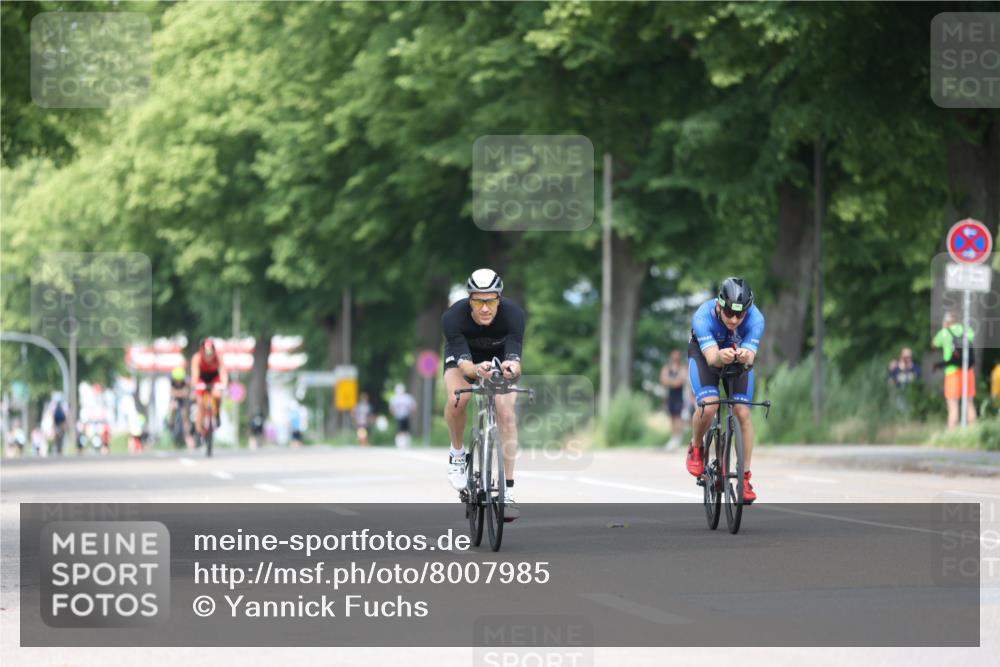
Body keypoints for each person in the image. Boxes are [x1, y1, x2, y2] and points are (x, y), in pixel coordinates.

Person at [441, 268, 525, 518]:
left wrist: (512, 367)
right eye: (478, 301)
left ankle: (507, 491)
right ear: (470, 300)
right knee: (460, 397)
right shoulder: (453, 317)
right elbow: (465, 367)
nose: (485, 308)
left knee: (507, 414)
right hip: (464, 359)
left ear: (499, 299)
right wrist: (477, 369)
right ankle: (457, 454)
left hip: (498, 359)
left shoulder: (514, 315)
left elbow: (515, 358)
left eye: (490, 301)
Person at [686, 277, 765, 503]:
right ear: (719, 305)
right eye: (729, 313)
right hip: (704, 356)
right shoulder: (702, 316)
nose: (733, 319)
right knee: (709, 405)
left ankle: (745, 478)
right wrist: (722, 356)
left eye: (740, 315)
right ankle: (696, 447)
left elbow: (750, 359)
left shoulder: (756, 320)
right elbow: (712, 359)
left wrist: (744, 356)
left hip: (734, 357)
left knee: (742, 412)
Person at [932, 311, 977, 429]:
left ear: (946, 320)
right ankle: (973, 434)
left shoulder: (944, 332)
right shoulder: (966, 330)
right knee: (969, 403)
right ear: (956, 320)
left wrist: (944, 328)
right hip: (968, 370)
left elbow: (934, 345)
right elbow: (971, 340)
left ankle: (952, 435)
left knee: (953, 405)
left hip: (952, 371)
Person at [191, 338, 229, 438]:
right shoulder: (197, 358)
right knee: (200, 403)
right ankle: (200, 427)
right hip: (202, 379)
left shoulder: (219, 358)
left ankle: (217, 414)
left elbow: (223, 373)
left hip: (214, 378)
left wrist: (224, 384)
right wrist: (195, 385)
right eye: (206, 353)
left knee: (217, 395)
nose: (209, 356)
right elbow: (195, 375)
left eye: (210, 353)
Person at [659, 349, 688, 451]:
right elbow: (663, 380)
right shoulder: (667, 368)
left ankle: (678, 439)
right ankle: (673, 438)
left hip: (679, 396)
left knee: (678, 417)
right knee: (672, 417)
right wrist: (673, 381)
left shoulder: (682, 368)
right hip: (670, 396)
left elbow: (680, 382)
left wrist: (670, 381)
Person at [168, 366, 193, 449]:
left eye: (180, 380)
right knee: (173, 406)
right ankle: (171, 422)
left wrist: (182, 393)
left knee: (184, 414)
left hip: (183, 400)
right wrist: (180, 393)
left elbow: (187, 392)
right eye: (176, 380)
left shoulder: (186, 381)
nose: (178, 382)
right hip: (175, 399)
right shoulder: (171, 381)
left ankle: (187, 435)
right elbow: (171, 392)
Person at [389, 383, 417, 449]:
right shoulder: (395, 398)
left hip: (405, 416)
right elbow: (392, 408)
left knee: (406, 430)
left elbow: (413, 406)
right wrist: (394, 414)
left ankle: (406, 443)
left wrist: (412, 413)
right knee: (400, 430)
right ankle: (400, 444)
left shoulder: (407, 397)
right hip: (399, 416)